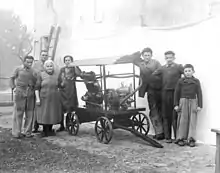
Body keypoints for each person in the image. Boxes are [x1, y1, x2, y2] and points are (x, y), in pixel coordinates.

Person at [133, 47, 164, 140]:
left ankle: (163, 133)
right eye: (145, 55)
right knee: (153, 110)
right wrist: (138, 53)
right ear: (142, 56)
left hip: (158, 89)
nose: (147, 57)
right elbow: (134, 59)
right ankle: (159, 132)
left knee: (159, 110)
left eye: (148, 55)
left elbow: (162, 73)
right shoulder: (141, 63)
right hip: (150, 90)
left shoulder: (156, 63)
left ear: (151, 55)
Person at [153, 51, 183, 143]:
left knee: (175, 115)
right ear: (165, 59)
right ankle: (168, 137)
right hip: (165, 93)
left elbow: (187, 74)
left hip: (175, 93)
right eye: (167, 58)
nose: (169, 59)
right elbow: (153, 76)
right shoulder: (162, 68)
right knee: (166, 115)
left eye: (170, 57)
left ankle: (178, 137)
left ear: (174, 58)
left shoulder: (178, 67)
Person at [174, 64, 202, 147]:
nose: (187, 73)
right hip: (183, 101)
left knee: (192, 121)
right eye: (186, 71)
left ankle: (191, 139)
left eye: (189, 71)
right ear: (183, 72)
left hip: (193, 101)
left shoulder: (196, 81)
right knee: (182, 121)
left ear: (193, 71)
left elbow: (199, 93)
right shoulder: (180, 81)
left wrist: (199, 105)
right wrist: (176, 105)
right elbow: (176, 93)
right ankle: (181, 138)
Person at [10, 55, 37, 138]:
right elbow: (12, 78)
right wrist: (13, 87)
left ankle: (27, 132)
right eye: (27, 62)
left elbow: (36, 80)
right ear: (24, 61)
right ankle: (16, 132)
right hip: (20, 92)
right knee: (18, 112)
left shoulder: (33, 71)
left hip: (30, 93)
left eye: (31, 62)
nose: (29, 64)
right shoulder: (18, 69)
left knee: (30, 113)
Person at [35, 59, 62, 137]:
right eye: (48, 66)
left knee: (52, 114)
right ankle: (44, 131)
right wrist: (37, 99)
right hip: (44, 97)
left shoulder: (57, 75)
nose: (49, 68)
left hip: (54, 98)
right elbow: (37, 87)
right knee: (44, 114)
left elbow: (60, 85)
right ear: (45, 67)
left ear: (53, 67)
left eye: (51, 66)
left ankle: (50, 130)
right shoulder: (41, 75)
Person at [57, 55, 82, 131]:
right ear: (64, 62)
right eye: (66, 60)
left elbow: (80, 74)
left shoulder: (74, 68)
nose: (67, 62)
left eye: (69, 60)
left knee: (70, 107)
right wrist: (60, 85)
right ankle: (61, 125)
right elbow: (58, 79)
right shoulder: (62, 69)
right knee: (61, 107)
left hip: (71, 90)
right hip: (63, 91)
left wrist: (75, 66)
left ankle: (69, 123)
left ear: (72, 61)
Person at [32, 50, 48, 133]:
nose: (44, 57)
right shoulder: (36, 65)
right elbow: (33, 75)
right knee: (37, 107)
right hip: (38, 87)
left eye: (46, 55)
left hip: (46, 88)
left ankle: (46, 126)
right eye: (43, 55)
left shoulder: (49, 64)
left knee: (46, 107)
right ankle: (36, 125)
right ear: (40, 56)